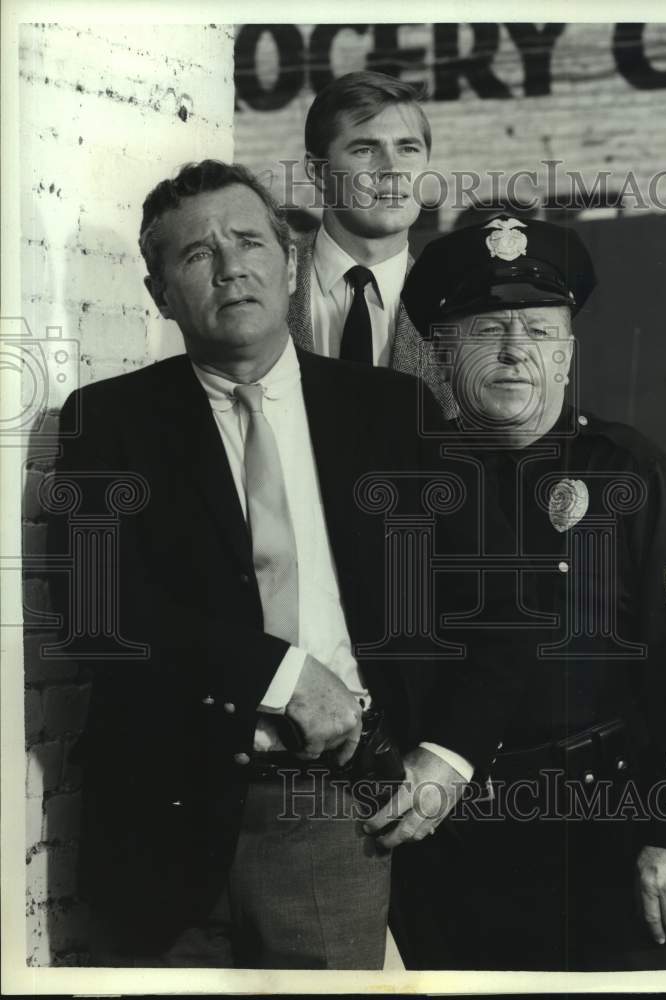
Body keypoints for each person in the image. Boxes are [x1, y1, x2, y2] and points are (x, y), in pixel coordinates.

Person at [46, 162, 518, 968]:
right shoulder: (110, 421)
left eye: (248, 242)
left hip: (332, 813)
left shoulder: (392, 413)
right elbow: (95, 612)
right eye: (197, 255)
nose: (230, 268)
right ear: (160, 294)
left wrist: (449, 755)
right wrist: (282, 675)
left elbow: (497, 598)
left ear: (291, 265)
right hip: (158, 821)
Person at [391, 214, 666, 971]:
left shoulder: (632, 473)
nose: (516, 350)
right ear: (441, 352)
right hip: (447, 841)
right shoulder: (407, 481)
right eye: (488, 330)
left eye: (542, 332)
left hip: (603, 831)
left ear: (569, 352)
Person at [287, 70, 455, 416]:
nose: (392, 169)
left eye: (408, 148)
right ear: (318, 172)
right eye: (365, 149)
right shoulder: (266, 284)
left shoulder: (456, 308)